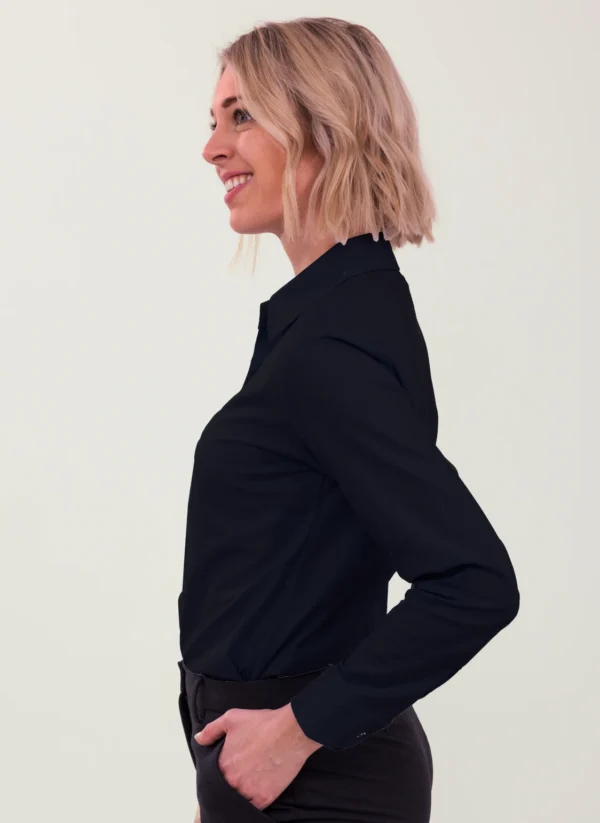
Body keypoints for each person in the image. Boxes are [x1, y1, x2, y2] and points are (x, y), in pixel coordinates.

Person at [177, 16, 520, 823]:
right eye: (214, 120)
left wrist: (293, 732)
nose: (212, 148)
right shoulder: (333, 313)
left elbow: (475, 581)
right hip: (274, 779)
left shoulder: (332, 343)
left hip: (316, 786)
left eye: (240, 116)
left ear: (322, 126)